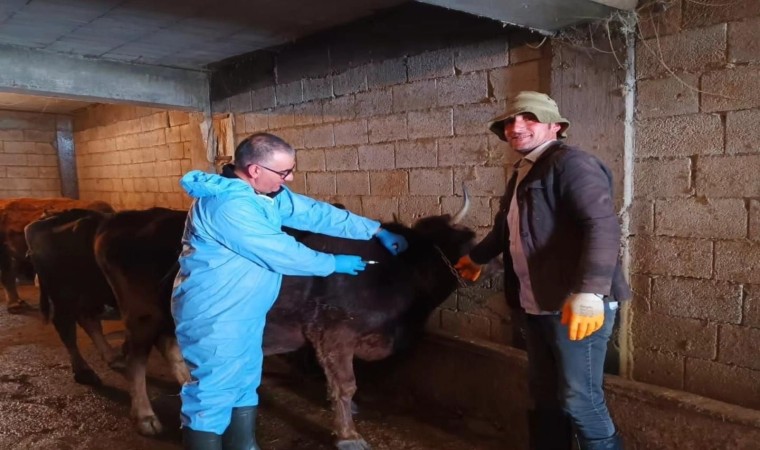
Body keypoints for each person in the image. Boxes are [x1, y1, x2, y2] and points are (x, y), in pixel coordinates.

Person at [171, 132, 408, 450]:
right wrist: (331, 262)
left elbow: (314, 213)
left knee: (244, 383)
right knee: (212, 394)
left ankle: (244, 446)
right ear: (255, 170)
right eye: (284, 172)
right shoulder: (228, 206)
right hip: (216, 314)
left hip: (245, 311)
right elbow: (281, 251)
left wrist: (374, 229)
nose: (290, 178)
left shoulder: (263, 196)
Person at [454, 91, 630, 450]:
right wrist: (477, 258)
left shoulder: (572, 164)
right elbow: (506, 229)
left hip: (575, 305)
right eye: (509, 121)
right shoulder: (525, 171)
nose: (515, 126)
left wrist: (590, 291)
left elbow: (602, 225)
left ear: (555, 126)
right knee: (544, 395)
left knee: (580, 399)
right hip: (538, 303)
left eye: (529, 117)